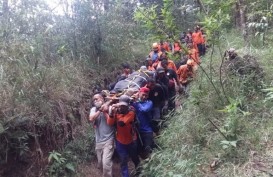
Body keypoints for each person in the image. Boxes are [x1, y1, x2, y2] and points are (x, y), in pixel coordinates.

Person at [107, 95, 140, 177]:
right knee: (123, 160)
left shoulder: (131, 111)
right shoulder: (116, 111)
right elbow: (110, 123)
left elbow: (122, 123)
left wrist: (116, 113)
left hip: (131, 140)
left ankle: (139, 171)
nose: (122, 107)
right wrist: (111, 113)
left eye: (124, 106)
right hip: (120, 141)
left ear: (128, 105)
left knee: (134, 158)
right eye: (121, 105)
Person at [89, 94, 115, 177]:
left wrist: (105, 111)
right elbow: (91, 118)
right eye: (94, 100)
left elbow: (111, 122)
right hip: (99, 140)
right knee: (100, 163)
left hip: (109, 139)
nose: (95, 101)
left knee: (105, 162)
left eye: (97, 99)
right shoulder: (94, 109)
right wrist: (100, 110)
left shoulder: (110, 107)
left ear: (102, 99)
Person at [132, 87, 154, 158]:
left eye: (146, 95)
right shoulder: (133, 102)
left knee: (148, 149)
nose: (144, 97)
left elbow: (144, 110)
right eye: (143, 95)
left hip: (147, 130)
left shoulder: (149, 103)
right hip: (137, 131)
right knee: (138, 150)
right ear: (139, 93)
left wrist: (137, 102)